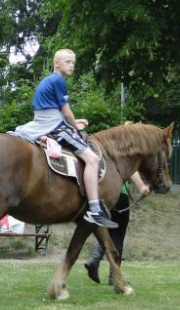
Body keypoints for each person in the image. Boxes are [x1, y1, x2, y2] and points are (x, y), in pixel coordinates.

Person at [13, 49, 117, 228]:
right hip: (55, 128)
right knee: (92, 159)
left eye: (73, 63)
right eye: (68, 62)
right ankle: (94, 208)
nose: (72, 66)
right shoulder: (58, 80)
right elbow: (66, 112)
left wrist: (73, 122)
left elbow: (51, 112)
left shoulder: (47, 81)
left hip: (45, 123)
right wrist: (75, 127)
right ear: (57, 63)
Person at [83, 171, 151, 284]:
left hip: (103, 197)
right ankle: (114, 276)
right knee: (118, 237)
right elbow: (132, 170)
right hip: (120, 195)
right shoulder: (123, 154)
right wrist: (142, 186)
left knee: (107, 233)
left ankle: (94, 260)